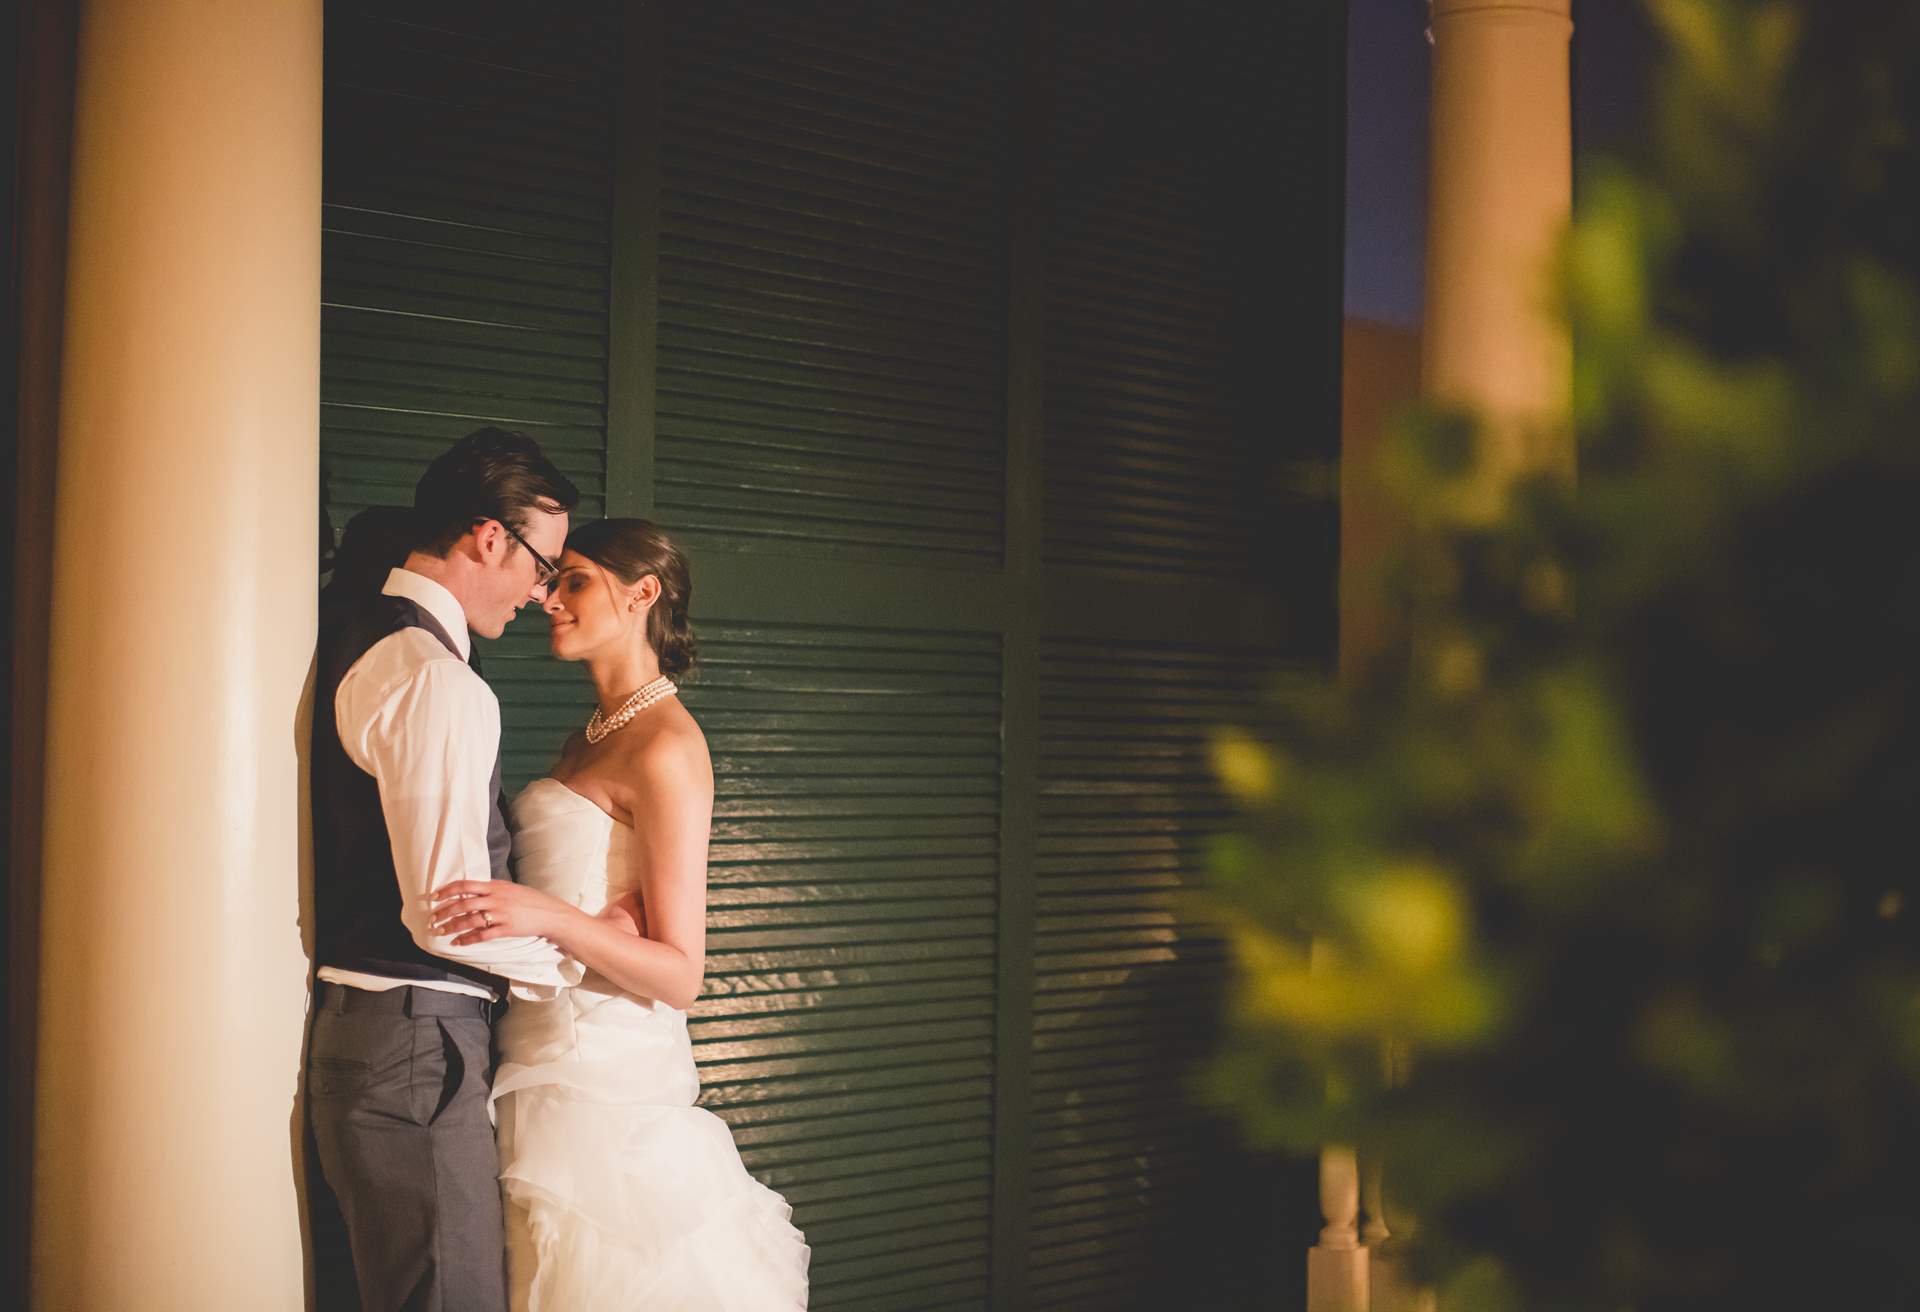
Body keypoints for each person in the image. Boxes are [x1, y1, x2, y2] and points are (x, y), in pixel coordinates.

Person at [429, 518, 810, 1310]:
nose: (548, 601)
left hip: (606, 1087)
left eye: (574, 582)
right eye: (553, 581)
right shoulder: (587, 740)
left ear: (642, 594)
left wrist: (550, 916)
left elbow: (679, 976)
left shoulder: (667, 747)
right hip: (533, 1063)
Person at [307, 427, 581, 1311]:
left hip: (385, 1038)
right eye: (544, 568)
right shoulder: (437, 681)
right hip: (417, 1044)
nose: (542, 596)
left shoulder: (362, 632)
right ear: (488, 536)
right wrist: (574, 968)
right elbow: (445, 914)